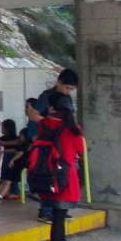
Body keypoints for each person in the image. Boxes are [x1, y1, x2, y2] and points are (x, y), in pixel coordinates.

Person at [38, 91, 85, 241]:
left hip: (47, 176)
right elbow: (80, 151)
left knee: (58, 214)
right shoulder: (72, 128)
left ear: (51, 107)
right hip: (65, 178)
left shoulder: (44, 124)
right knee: (59, 216)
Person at [33, 68, 78, 223]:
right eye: (66, 87)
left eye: (71, 89)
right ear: (58, 82)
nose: (68, 91)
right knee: (49, 176)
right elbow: (33, 114)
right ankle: (45, 211)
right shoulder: (46, 96)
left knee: (63, 176)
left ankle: (61, 209)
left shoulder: (68, 99)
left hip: (63, 144)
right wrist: (51, 125)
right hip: (48, 144)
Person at [0, 120, 28, 202]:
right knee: (7, 178)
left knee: (8, 178)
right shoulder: (17, 140)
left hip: (14, 160)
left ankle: (4, 195)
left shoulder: (17, 141)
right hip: (12, 160)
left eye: (3, 127)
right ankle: (0, 194)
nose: (2, 129)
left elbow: (3, 143)